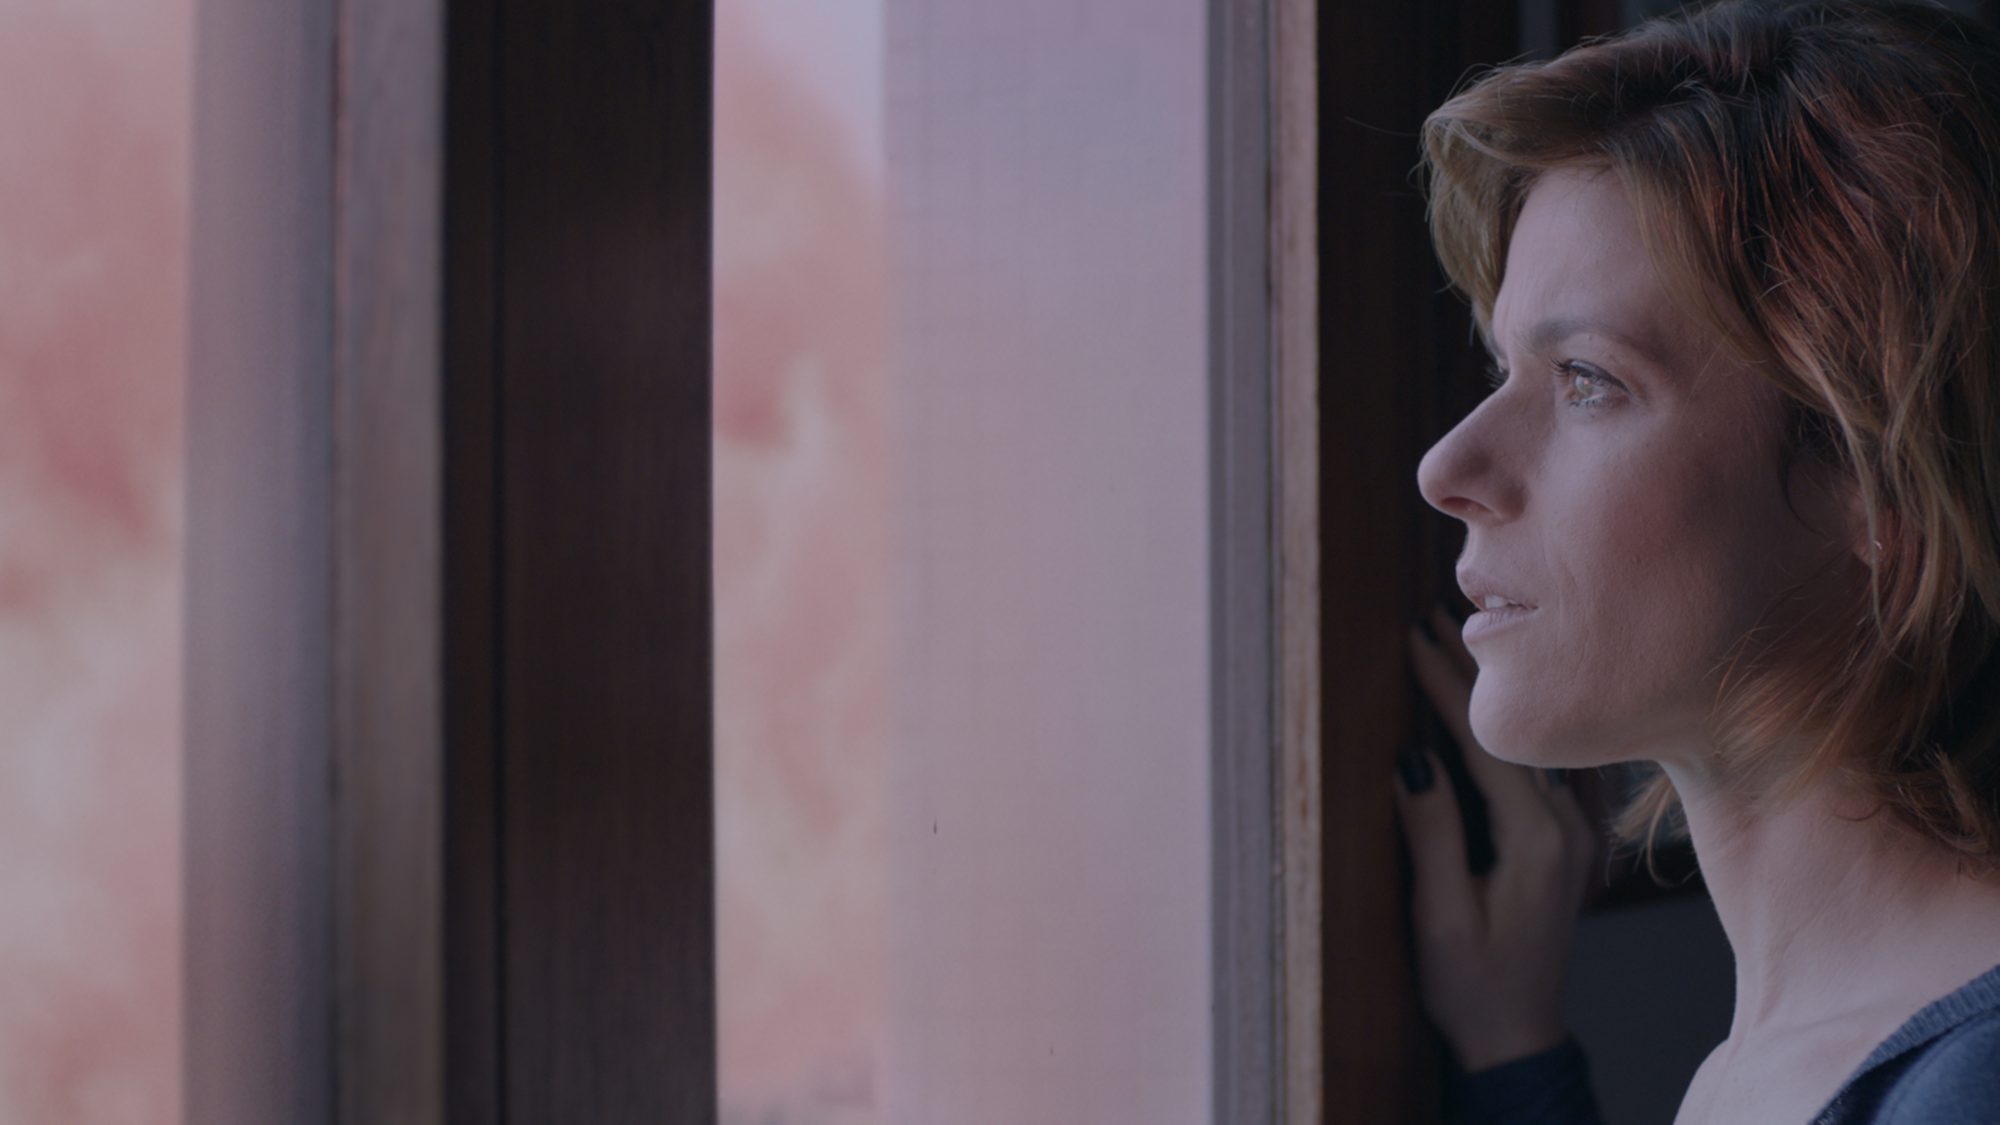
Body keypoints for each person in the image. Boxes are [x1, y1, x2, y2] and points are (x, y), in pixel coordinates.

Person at [1389, 1, 2000, 1121]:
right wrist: (1512, 1056)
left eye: (1586, 380)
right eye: (1498, 370)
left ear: (1880, 482)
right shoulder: (1772, 1065)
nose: (1446, 466)